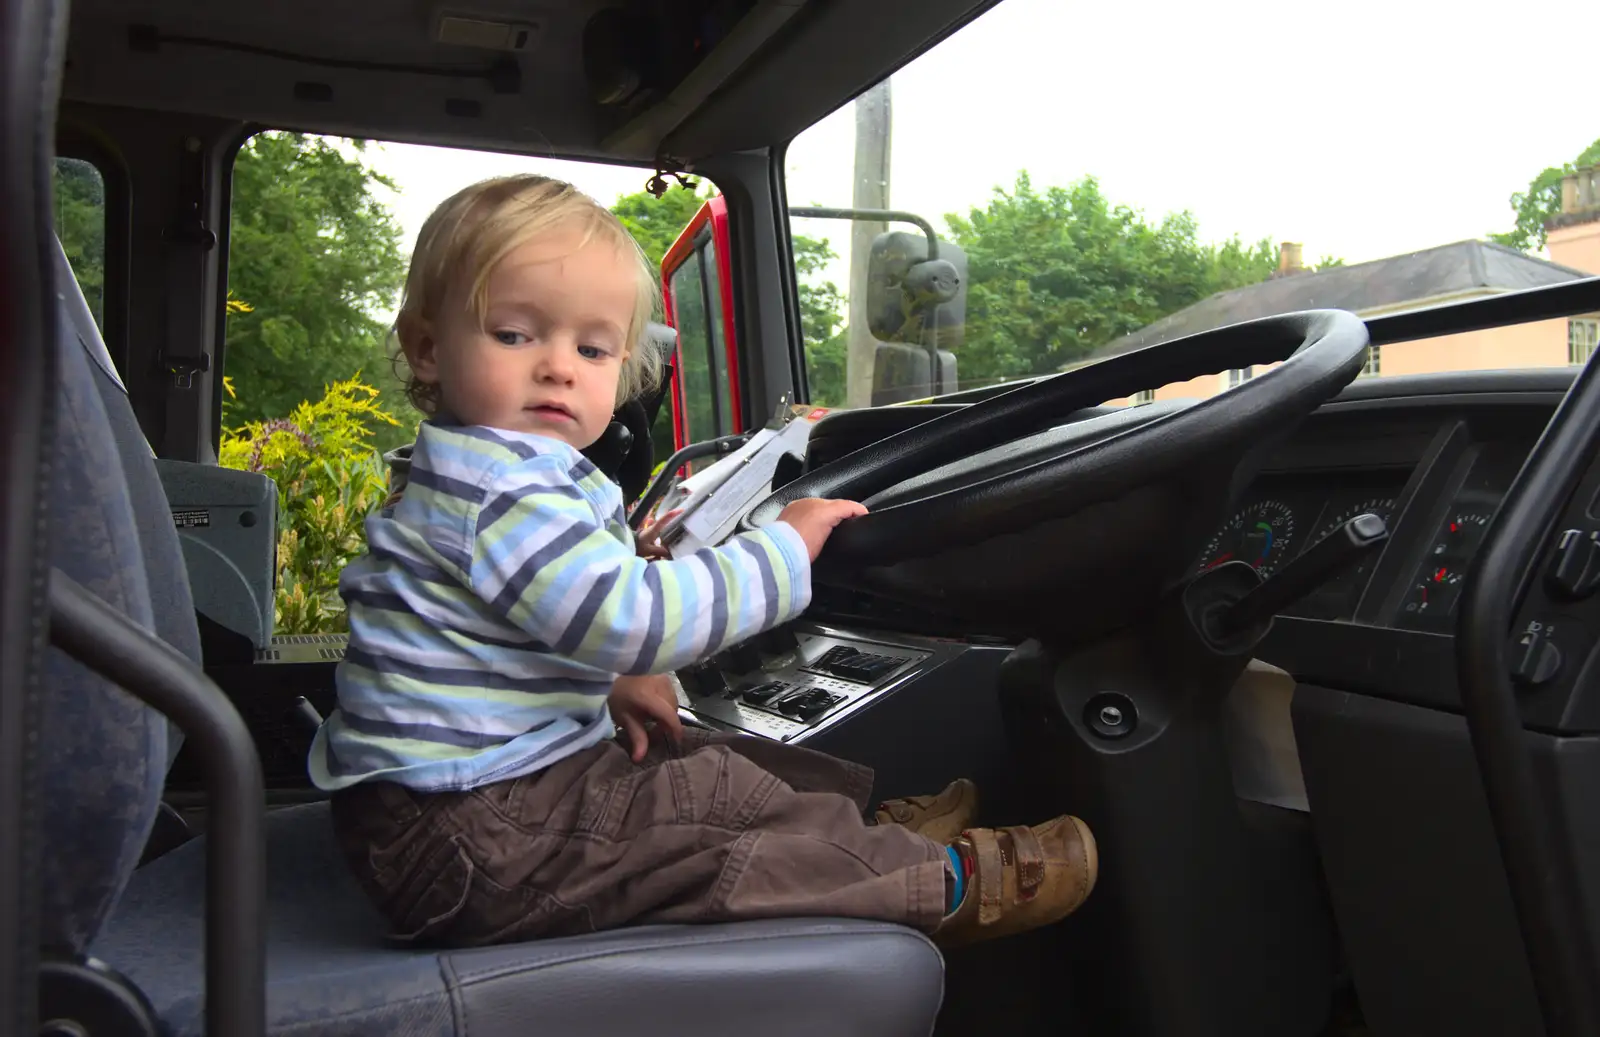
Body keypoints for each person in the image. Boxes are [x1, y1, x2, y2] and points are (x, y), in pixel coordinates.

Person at [309, 173, 1097, 950]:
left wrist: (614, 675)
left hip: (455, 808)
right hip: (473, 831)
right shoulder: (504, 483)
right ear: (426, 348)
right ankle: (938, 883)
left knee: (706, 764)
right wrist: (784, 547)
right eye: (514, 334)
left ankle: (861, 838)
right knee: (697, 815)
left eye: (592, 346)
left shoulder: (478, 469)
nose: (558, 366)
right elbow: (631, 618)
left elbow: (517, 623)